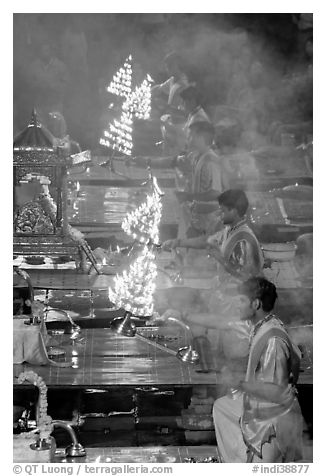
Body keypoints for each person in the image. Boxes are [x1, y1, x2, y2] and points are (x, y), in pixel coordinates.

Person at [213, 277, 303, 463]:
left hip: (274, 421)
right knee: (222, 407)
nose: (236, 305)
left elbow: (276, 392)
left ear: (255, 304)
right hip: (260, 408)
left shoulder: (273, 340)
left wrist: (237, 382)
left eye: (241, 301)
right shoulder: (260, 325)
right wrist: (182, 316)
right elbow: (219, 322)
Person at [164, 189, 264, 280]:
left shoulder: (242, 238)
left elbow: (244, 276)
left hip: (245, 295)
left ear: (233, 211)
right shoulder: (230, 230)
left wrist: (219, 258)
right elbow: (206, 241)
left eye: (223, 211)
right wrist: (177, 242)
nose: (220, 215)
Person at [29, 43, 69, 120]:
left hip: (55, 104)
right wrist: (38, 86)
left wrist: (52, 86)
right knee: (41, 128)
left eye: (46, 50)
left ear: (51, 52)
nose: (44, 53)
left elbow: (66, 84)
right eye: (42, 51)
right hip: (39, 104)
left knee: (56, 127)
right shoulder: (34, 66)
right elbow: (29, 83)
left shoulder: (60, 66)